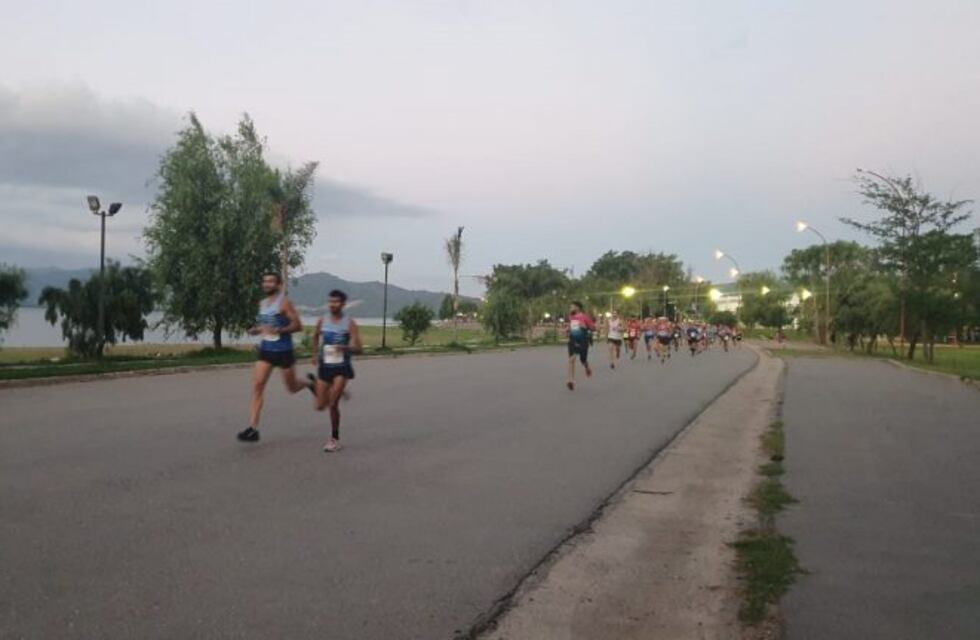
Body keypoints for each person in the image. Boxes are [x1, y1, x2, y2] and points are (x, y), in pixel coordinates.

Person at [238, 272, 310, 443]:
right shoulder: (262, 303)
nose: (267, 284)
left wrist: (280, 330)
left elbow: (298, 325)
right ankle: (253, 429)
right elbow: (265, 325)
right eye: (265, 281)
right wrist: (256, 330)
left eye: (271, 281)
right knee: (257, 386)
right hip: (266, 350)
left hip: (284, 352)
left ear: (278, 285)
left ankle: (309, 383)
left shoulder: (284, 303)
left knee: (292, 388)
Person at [307, 289, 362, 452]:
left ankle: (334, 439)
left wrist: (345, 347)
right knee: (319, 406)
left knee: (332, 403)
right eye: (330, 301)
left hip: (342, 368)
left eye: (336, 302)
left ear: (343, 304)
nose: (332, 304)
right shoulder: (322, 321)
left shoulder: (349, 323)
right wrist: (314, 354)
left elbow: (359, 348)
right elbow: (315, 337)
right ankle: (314, 386)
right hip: (325, 367)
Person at [566, 301, 595, 390]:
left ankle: (587, 367)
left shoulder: (585, 317)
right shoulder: (570, 317)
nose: (570, 308)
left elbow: (593, 328)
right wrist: (568, 329)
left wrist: (584, 327)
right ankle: (571, 381)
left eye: (572, 307)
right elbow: (571, 327)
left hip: (583, 340)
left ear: (577, 308)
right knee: (571, 359)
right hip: (573, 340)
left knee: (583, 360)